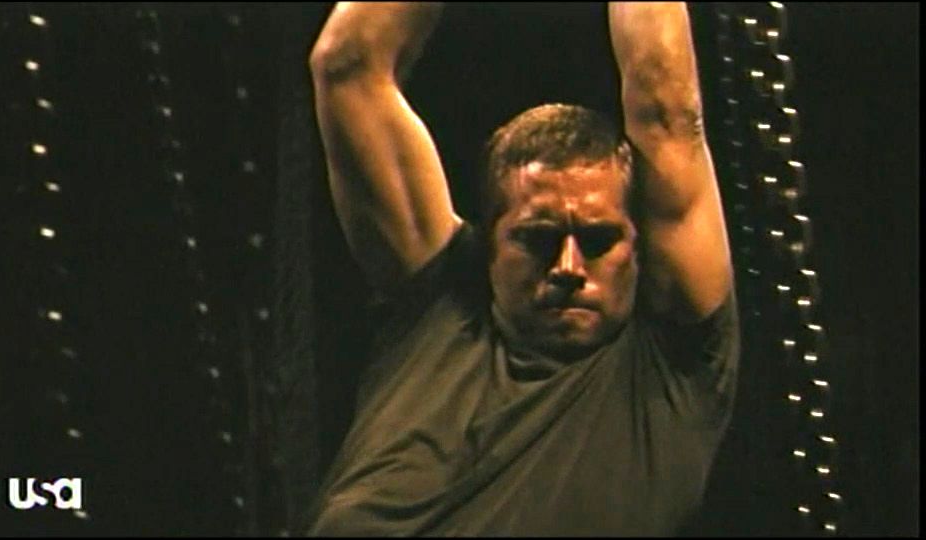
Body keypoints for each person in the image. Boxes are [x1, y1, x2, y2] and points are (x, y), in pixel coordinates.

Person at [302, 2, 738, 536]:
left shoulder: (670, 367)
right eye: (538, 240)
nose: (568, 266)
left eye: (598, 241)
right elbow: (347, 65)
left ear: (638, 246)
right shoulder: (438, 302)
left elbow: (665, 113)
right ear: (489, 242)